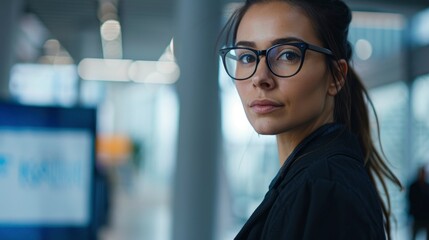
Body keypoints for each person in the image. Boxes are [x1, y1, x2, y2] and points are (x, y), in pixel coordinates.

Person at [218, 0, 402, 239]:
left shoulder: (326, 191)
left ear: (336, 76)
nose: (260, 78)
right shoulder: (311, 181)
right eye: (246, 58)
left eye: (287, 55)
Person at [408, 166, 429, 240]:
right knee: (413, 236)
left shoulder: (427, 187)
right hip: (417, 217)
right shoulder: (413, 186)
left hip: (426, 218)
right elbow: (411, 200)